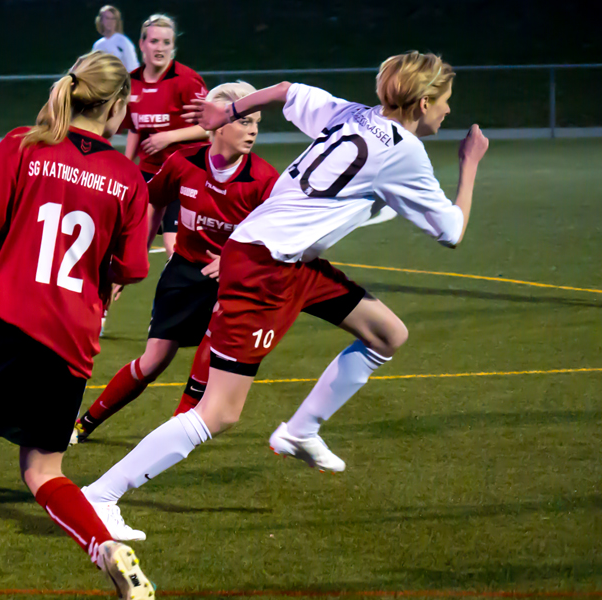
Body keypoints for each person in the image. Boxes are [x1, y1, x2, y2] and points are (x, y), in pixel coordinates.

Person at [81, 51, 490, 540]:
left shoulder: (352, 113)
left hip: (288, 260)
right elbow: (452, 232)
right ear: (423, 102)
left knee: (387, 334)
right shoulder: (406, 154)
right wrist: (468, 166)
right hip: (264, 268)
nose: (448, 111)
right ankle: (101, 495)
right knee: (219, 413)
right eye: (445, 102)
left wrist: (227, 111)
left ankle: (300, 431)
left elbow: (282, 91)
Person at [0, 51, 155, 600]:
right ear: (116, 109)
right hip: (69, 337)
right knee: (45, 470)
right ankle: (106, 547)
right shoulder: (127, 177)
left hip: (2, 316)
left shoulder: (27, 143)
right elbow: (131, 269)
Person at [71, 82, 279, 468]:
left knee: (206, 367)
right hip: (183, 274)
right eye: (245, 121)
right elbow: (149, 203)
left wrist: (238, 259)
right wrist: (124, 259)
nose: (252, 130)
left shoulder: (265, 180)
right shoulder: (183, 162)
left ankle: (164, 447)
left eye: (257, 123)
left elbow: (282, 237)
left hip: (232, 284)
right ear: (218, 125)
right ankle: (84, 424)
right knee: (152, 362)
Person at [123, 13, 209, 257]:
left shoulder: (187, 80)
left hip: (187, 171)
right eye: (154, 41)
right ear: (142, 44)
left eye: (166, 42)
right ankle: (110, 289)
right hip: (150, 172)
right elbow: (134, 129)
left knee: (174, 246)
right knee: (134, 243)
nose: (160, 48)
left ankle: (187, 293)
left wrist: (168, 137)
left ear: (173, 47)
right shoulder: (131, 82)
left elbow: (208, 127)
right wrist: (127, 166)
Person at [92, 5, 139, 73]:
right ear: (101, 20)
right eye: (107, 18)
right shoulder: (97, 45)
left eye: (113, 19)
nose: (110, 22)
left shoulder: (124, 42)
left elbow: (133, 68)